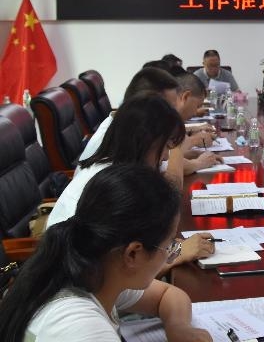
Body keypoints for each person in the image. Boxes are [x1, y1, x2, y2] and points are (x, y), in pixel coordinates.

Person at [0, 164, 211, 341]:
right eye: (170, 245)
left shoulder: (98, 270)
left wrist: (178, 326)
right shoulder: (81, 329)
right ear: (133, 254)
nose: (171, 253)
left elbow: (167, 295)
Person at [48, 95, 215, 266]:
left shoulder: (120, 168)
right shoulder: (110, 186)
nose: (166, 157)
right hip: (72, 271)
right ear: (145, 141)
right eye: (166, 146)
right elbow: (119, 269)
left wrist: (166, 247)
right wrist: (178, 252)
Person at [78, 67, 219, 175]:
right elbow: (172, 187)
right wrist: (181, 146)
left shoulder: (130, 130)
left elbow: (163, 165)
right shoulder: (122, 138)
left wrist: (187, 154)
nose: (171, 114)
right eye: (169, 107)